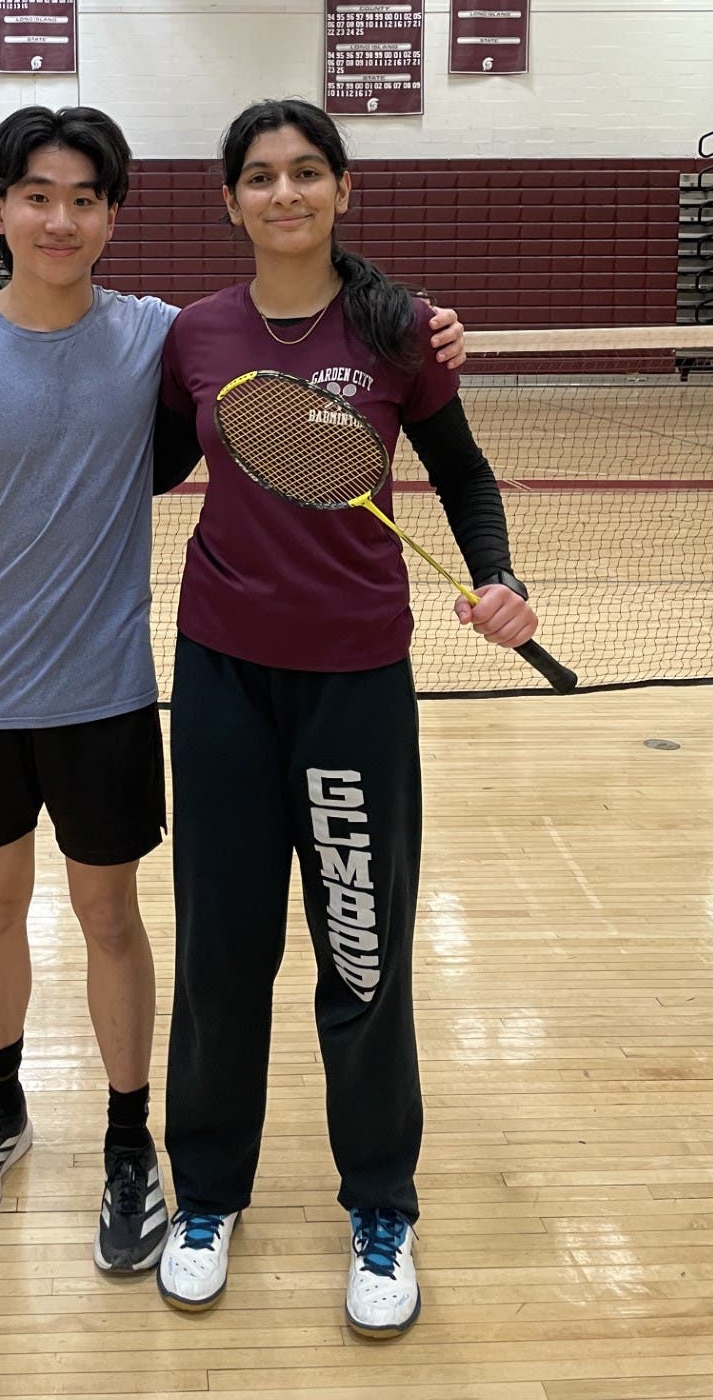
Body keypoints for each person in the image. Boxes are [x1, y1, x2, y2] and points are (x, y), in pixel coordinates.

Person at [0, 104, 466, 1277]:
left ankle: (132, 1141)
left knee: (115, 920)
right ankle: (3, 1108)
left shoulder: (160, 335)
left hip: (112, 691)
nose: (60, 220)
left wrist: (418, 323)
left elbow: (295, 313)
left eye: (85, 199)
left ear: (113, 215)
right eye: (37, 197)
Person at [154, 98, 539, 1338]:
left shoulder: (397, 330)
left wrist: (499, 575)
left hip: (356, 685)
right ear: (230, 200)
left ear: (342, 189)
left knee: (361, 954)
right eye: (262, 176)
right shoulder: (196, 335)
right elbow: (148, 466)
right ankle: (207, 1197)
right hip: (221, 677)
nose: (285, 193)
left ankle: (380, 1205)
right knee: (221, 953)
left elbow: (462, 472)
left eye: (307, 172)